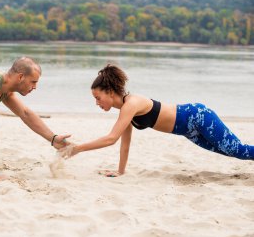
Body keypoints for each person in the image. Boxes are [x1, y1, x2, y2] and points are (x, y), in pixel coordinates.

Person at [66, 64, 253, 177]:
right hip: (189, 131)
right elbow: (124, 143)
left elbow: (110, 139)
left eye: (98, 97)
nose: (96, 103)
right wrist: (120, 171)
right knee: (233, 153)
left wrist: (77, 149)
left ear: (110, 91)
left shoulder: (131, 104)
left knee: (238, 150)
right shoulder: (126, 110)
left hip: (198, 117)